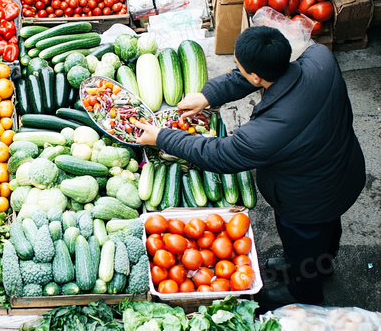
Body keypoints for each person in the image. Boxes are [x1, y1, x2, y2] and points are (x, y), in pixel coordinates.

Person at [135, 26, 366, 309]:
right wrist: (209, 96)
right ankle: (318, 263)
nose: (238, 71)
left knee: (306, 239)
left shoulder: (269, 131)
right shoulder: (321, 59)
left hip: (308, 198)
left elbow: (218, 154)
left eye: (239, 67)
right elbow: (264, 75)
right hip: (344, 170)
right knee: (325, 231)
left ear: (256, 76)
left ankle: (305, 290)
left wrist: (162, 137)